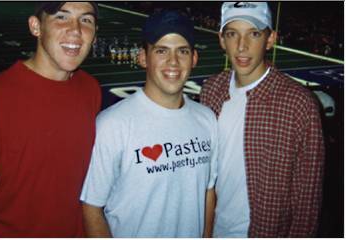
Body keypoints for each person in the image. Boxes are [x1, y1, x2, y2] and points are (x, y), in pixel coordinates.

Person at [80, 10, 218, 237]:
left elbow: (208, 192)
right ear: (143, 57)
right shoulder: (112, 124)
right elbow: (92, 208)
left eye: (182, 51)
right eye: (161, 51)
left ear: (194, 58)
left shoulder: (207, 119)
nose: (173, 61)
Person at [200, 2, 324, 237]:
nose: (241, 46)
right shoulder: (211, 91)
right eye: (232, 33)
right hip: (212, 229)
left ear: (270, 39)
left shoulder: (298, 104)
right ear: (221, 39)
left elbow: (307, 198)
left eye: (254, 34)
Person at [0, 2, 101, 237]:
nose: (76, 30)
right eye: (62, 17)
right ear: (36, 26)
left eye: (86, 20)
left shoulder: (90, 89)